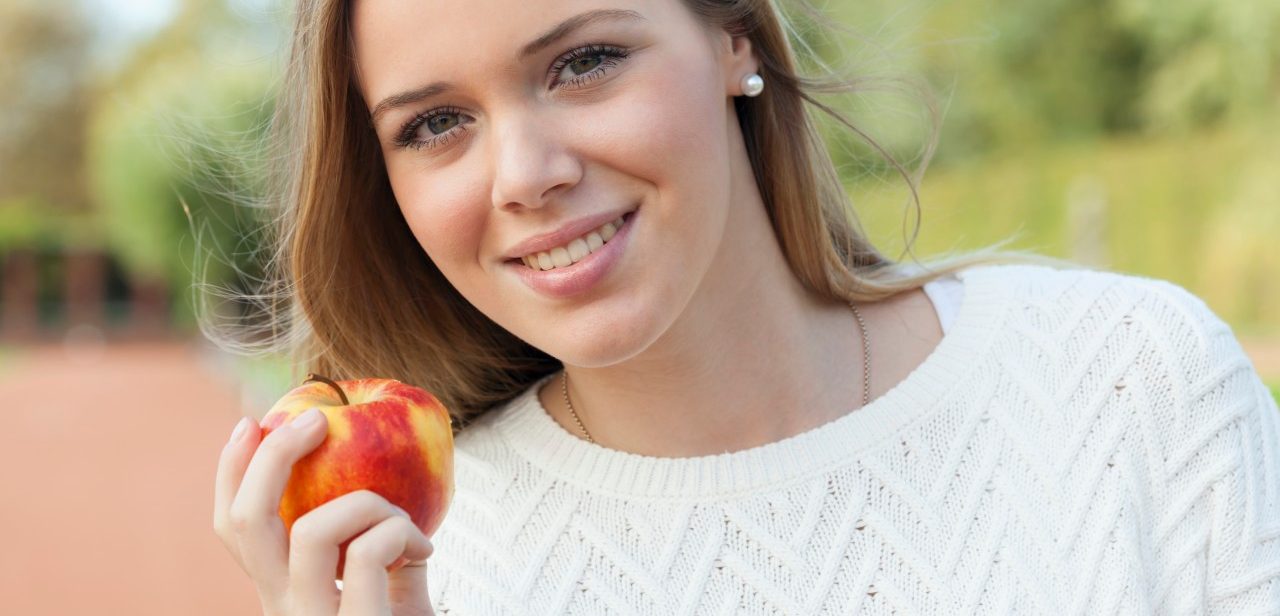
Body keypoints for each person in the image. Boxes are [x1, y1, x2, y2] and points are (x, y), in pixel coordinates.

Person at [211, 0, 1280, 613]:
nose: (524, 174)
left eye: (584, 62)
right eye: (434, 124)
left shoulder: (1129, 380)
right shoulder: (423, 563)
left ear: (735, 39)